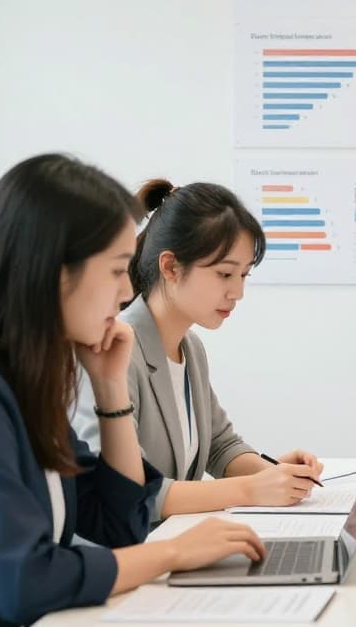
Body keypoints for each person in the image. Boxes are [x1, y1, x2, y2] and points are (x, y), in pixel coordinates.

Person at [0, 155, 265, 627]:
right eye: (115, 269)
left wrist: (111, 394)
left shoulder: (23, 385)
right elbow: (23, 578)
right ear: (53, 272)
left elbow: (117, 523)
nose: (129, 288)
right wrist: (174, 552)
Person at [73, 180, 323, 522]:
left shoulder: (190, 347)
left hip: (170, 543)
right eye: (224, 274)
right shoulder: (114, 351)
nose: (238, 292)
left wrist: (276, 475)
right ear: (171, 267)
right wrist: (252, 490)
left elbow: (221, 446)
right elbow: (127, 489)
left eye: (244, 275)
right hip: (123, 558)